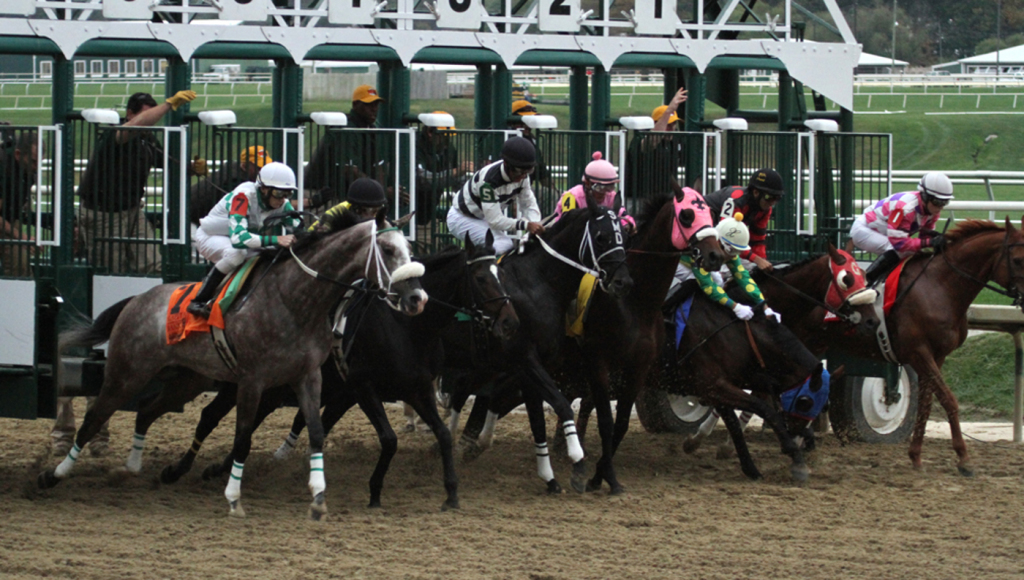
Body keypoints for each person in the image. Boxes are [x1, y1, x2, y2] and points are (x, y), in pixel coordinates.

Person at [76, 90, 196, 274]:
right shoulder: (114, 134)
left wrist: (192, 167)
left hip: (131, 209)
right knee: (112, 269)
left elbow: (166, 161)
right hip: (102, 212)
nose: (150, 121)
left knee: (152, 263)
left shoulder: (146, 139)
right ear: (130, 114)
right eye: (145, 115)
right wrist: (168, 105)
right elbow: (133, 127)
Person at [188, 162, 302, 318]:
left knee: (271, 255)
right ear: (264, 189)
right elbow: (238, 238)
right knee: (236, 253)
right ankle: (200, 300)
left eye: (287, 194)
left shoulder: (283, 204)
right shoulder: (243, 196)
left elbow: (300, 230)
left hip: (242, 240)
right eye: (278, 193)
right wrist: (277, 239)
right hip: (211, 237)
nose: (282, 200)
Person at [673, 213, 781, 322]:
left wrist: (765, 306)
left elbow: (743, 277)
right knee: (694, 281)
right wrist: (735, 306)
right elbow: (707, 285)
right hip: (680, 263)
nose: (734, 256)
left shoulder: (729, 251)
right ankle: (668, 312)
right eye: (733, 251)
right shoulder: (704, 250)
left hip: (698, 266)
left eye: (738, 251)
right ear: (719, 243)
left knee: (719, 282)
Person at [851, 171, 953, 286]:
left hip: (885, 232)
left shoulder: (933, 212)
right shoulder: (905, 208)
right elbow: (899, 243)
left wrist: (935, 239)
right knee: (898, 250)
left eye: (945, 202)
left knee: (915, 253)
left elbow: (925, 236)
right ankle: (864, 283)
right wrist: (929, 242)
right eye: (937, 202)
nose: (940, 207)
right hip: (864, 230)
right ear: (925, 196)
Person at [446, 136, 543, 255]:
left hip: (483, 217)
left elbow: (528, 205)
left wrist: (536, 226)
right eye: (519, 171)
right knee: (503, 246)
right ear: (507, 164)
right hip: (462, 218)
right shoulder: (489, 181)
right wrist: (526, 225)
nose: (523, 176)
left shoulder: (523, 176)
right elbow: (495, 221)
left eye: (528, 171)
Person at [304, 85, 386, 211]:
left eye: (376, 104)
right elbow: (348, 170)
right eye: (369, 104)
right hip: (318, 195)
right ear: (355, 105)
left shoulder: (371, 129)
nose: (374, 109)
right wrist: (376, 191)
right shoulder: (345, 127)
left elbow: (378, 167)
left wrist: (381, 193)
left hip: (340, 195)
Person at [705, 168, 784, 272]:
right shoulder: (736, 200)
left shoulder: (765, 209)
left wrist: (762, 263)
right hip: (702, 235)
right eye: (769, 197)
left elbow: (757, 239)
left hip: (718, 242)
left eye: (776, 198)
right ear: (756, 192)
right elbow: (727, 238)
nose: (772, 203)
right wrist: (756, 259)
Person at [552, 151, 635, 234]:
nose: (604, 193)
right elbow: (568, 225)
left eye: (609, 188)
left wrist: (627, 225)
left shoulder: (611, 196)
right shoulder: (571, 197)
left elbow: (624, 216)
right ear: (587, 183)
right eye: (600, 188)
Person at [190, 145, 271, 227]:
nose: (263, 170)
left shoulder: (233, 169)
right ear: (244, 166)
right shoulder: (235, 182)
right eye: (258, 167)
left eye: (266, 166)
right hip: (190, 218)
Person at [415, 112, 473, 225]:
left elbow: (457, 180)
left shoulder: (448, 149)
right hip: (411, 214)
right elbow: (422, 179)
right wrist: (455, 172)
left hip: (429, 215)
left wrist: (472, 183)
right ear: (430, 132)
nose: (447, 140)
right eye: (444, 135)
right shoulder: (414, 145)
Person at [0, 130, 38, 277]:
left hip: (7, 220)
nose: (36, 167)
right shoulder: (3, 167)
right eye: (33, 162)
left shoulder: (23, 169)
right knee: (20, 270)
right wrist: (21, 237)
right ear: (17, 154)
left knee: (22, 267)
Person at [309, 177, 387, 231]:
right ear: (358, 210)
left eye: (379, 211)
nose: (376, 216)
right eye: (374, 212)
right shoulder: (336, 214)